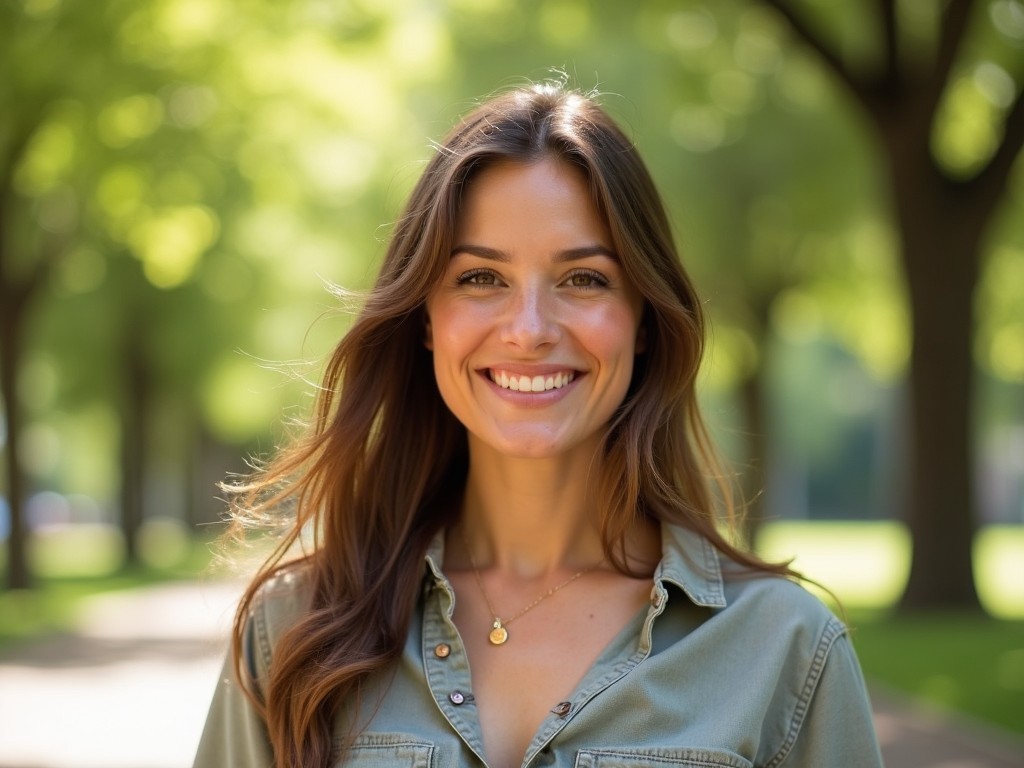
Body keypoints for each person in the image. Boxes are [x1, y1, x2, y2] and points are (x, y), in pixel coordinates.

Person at [194, 82, 883, 768]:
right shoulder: (291, 632)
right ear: (425, 321)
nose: (528, 331)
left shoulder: (785, 649)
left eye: (583, 279)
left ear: (643, 320)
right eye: (480, 280)